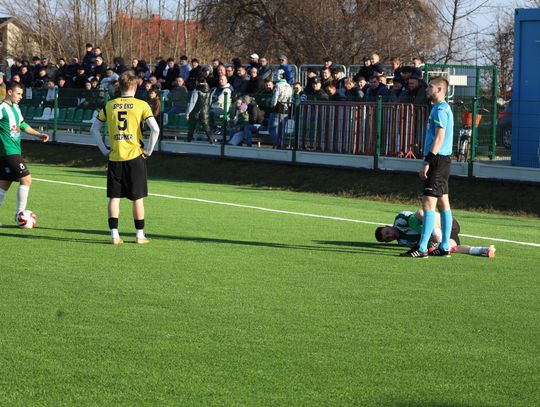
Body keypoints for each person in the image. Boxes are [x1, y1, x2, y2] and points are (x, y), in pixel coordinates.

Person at [90, 71, 160, 245]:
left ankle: (114, 234)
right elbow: (155, 129)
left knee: (114, 197)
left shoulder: (110, 105)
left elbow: (94, 128)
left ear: (119, 87)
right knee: (137, 198)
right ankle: (139, 235)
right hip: (135, 156)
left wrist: (104, 150)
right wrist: (149, 151)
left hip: (115, 157)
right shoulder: (142, 105)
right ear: (135, 86)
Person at [402, 76, 454, 258]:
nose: (427, 89)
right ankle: (445, 246)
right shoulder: (441, 108)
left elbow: (439, 137)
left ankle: (422, 247)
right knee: (443, 203)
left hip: (438, 161)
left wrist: (427, 161)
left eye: (430, 86)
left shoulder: (440, 109)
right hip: (443, 161)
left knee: (428, 203)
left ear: (439, 90)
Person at [0, 82, 49, 226]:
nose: (21, 97)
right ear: (9, 92)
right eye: (18, 94)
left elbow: (22, 125)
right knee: (26, 179)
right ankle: (20, 215)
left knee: (4, 184)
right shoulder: (2, 108)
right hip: (9, 152)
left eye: (21, 94)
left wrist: (38, 134)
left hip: (13, 151)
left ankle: (19, 215)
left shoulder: (15, 108)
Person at [375, 210, 496, 258]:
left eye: (387, 232)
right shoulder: (403, 242)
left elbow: (419, 215)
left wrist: (434, 233)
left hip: (444, 222)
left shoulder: (400, 220)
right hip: (448, 234)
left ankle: (435, 231)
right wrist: (432, 242)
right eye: (387, 238)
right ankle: (485, 250)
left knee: (418, 215)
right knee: (450, 248)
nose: (390, 236)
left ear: (387, 226)